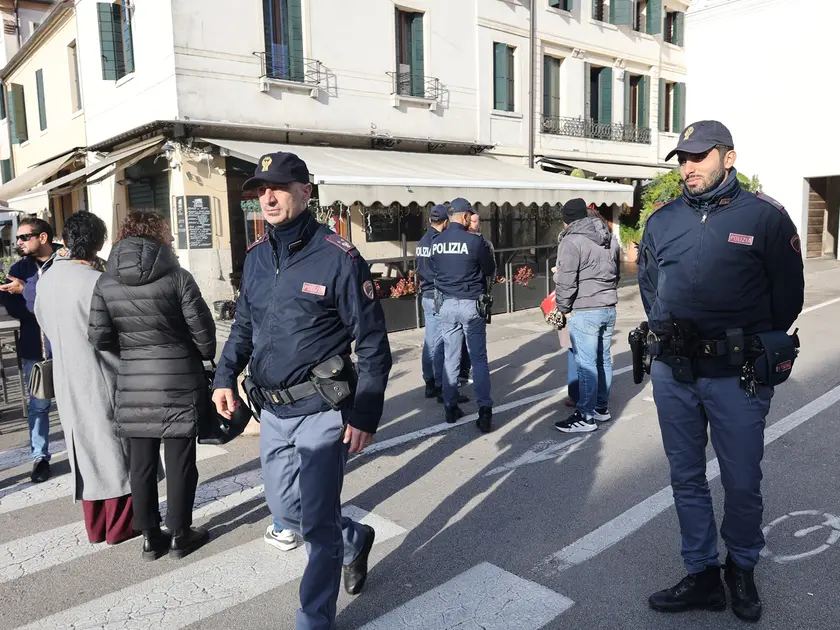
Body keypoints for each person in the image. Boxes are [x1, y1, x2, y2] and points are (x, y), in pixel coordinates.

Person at [211, 151, 392, 630]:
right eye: (260, 190)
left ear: (304, 192)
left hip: (322, 411)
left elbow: (373, 342)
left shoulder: (339, 258)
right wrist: (223, 376)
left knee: (317, 523)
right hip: (270, 409)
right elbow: (244, 326)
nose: (267, 198)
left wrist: (365, 413)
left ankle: (314, 618)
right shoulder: (255, 257)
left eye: (278, 188)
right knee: (285, 511)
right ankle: (354, 539)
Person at [639, 121, 804, 622]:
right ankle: (702, 575)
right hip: (675, 372)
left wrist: (741, 342)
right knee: (685, 476)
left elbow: (787, 299)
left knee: (740, 480)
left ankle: (742, 569)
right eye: (681, 158)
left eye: (698, 156)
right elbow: (650, 288)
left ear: (727, 158)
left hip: (738, 376)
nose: (687, 167)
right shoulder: (662, 221)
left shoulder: (767, 217)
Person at [88, 210, 216, 561]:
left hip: (132, 380)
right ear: (159, 234)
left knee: (140, 463)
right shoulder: (177, 276)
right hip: (178, 378)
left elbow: (98, 337)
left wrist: (132, 350)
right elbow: (204, 335)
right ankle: (180, 533)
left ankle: (149, 536)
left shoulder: (105, 281)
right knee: (180, 461)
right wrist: (199, 353)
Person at [35, 212, 134, 545]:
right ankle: (119, 527)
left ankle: (96, 527)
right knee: (114, 450)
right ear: (99, 243)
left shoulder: (47, 279)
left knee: (84, 450)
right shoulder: (98, 283)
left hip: (66, 373)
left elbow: (43, 320)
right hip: (102, 372)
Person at [552, 198, 620, 433]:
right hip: (608, 306)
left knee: (586, 363)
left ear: (566, 220)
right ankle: (601, 408)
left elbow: (566, 280)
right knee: (603, 359)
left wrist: (562, 308)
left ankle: (586, 415)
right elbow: (616, 273)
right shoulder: (609, 237)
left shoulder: (571, 241)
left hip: (585, 307)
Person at [0, 218, 58, 483]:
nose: (18, 242)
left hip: (65, 346)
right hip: (34, 348)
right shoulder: (19, 268)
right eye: (18, 238)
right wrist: (34, 301)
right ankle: (40, 457)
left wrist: (27, 292)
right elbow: (14, 308)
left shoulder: (63, 261)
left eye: (24, 237)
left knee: (73, 403)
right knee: (38, 405)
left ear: (42, 237)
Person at [431, 197, 495, 431]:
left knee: (451, 357)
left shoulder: (436, 241)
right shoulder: (474, 241)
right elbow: (488, 269)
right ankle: (485, 411)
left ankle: (450, 407)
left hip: (446, 304)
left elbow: (432, 270)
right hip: (470, 304)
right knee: (478, 359)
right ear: (466, 216)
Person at [416, 204, 450, 399]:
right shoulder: (438, 242)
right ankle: (437, 382)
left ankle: (429, 379)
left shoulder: (422, 241)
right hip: (437, 294)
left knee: (430, 339)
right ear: (445, 222)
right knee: (438, 341)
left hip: (426, 294)